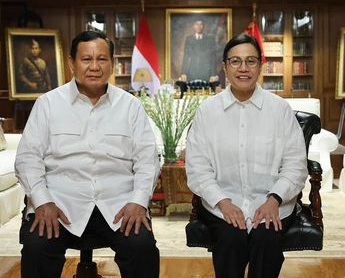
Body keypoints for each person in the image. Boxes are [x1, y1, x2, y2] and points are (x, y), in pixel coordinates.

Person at [15, 30, 160, 278]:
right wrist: (43, 201)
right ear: (72, 63)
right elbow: (28, 159)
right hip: (60, 206)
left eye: (102, 59)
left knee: (142, 248)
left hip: (118, 206)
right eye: (86, 59)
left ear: (112, 63)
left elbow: (148, 159)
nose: (95, 66)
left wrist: (138, 201)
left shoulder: (130, 106)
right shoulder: (48, 104)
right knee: (37, 247)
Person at [185, 33, 308, 278]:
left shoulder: (279, 110)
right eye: (235, 61)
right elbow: (198, 168)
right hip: (223, 204)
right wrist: (223, 202)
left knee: (266, 240)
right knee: (231, 238)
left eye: (251, 61)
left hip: (274, 205)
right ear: (225, 67)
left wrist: (274, 199)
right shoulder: (208, 111)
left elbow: (295, 165)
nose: (243, 68)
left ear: (260, 66)